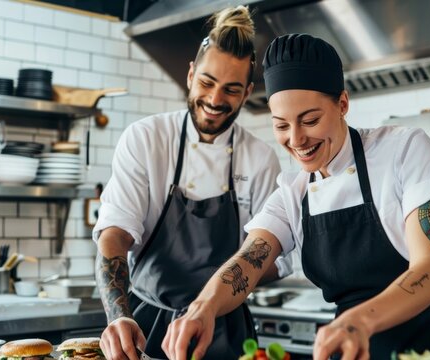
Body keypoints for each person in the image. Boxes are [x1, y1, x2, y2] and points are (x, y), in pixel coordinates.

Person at [161, 33, 430, 360]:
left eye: (310, 120)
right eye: (281, 125)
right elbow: (249, 261)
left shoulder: (404, 150)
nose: (296, 139)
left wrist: (358, 321)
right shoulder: (293, 192)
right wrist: (202, 308)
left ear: (343, 104)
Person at [92, 6, 289, 360]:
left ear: (247, 92)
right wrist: (118, 316)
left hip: (227, 332)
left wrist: (216, 295)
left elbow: (274, 257)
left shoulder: (260, 159)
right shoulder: (146, 139)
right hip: (146, 326)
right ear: (190, 74)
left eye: (231, 90)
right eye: (207, 83)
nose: (215, 100)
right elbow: (115, 232)